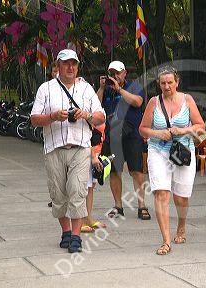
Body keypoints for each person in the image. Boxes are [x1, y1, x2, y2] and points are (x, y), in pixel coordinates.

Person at [30, 49, 105, 253]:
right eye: (66, 63)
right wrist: (53, 116)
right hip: (54, 148)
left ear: (78, 66)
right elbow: (34, 119)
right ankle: (65, 232)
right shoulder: (46, 89)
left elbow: (101, 117)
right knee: (59, 193)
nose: (70, 67)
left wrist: (87, 115)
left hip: (80, 147)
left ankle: (76, 236)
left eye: (74, 63)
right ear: (58, 66)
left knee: (77, 190)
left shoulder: (86, 89)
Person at [139, 66, 204, 255]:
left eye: (170, 82)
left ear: (177, 82)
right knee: (162, 194)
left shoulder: (187, 100)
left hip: (182, 151)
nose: (167, 86)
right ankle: (166, 241)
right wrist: (158, 133)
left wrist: (183, 130)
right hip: (158, 151)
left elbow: (200, 126)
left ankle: (181, 226)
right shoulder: (153, 102)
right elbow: (142, 129)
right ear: (159, 84)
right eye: (163, 83)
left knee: (181, 197)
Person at [96, 61, 150, 220]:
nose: (115, 76)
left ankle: (142, 205)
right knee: (114, 171)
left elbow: (138, 102)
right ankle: (118, 206)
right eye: (112, 73)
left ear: (124, 73)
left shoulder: (133, 86)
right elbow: (95, 106)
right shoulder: (105, 90)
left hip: (132, 134)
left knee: (137, 170)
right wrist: (100, 88)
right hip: (112, 136)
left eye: (118, 73)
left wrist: (119, 89)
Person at [81, 123, 107, 233]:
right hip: (86, 151)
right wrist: (92, 156)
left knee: (91, 186)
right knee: (83, 187)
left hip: (97, 150)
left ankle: (88, 218)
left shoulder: (99, 107)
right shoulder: (87, 107)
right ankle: (80, 220)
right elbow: (85, 134)